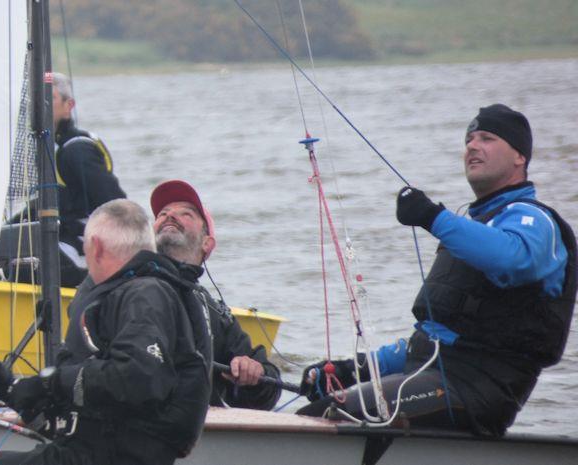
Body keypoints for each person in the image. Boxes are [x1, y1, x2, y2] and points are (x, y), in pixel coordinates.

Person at [297, 104, 576, 436]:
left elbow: (512, 258)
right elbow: (429, 340)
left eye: (486, 138)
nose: (472, 146)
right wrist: (354, 369)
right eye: (469, 139)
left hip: (478, 390)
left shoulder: (535, 222)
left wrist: (433, 217)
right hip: (435, 378)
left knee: (338, 413)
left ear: (520, 157)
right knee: (313, 410)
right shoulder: (470, 232)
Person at [0, 199, 211, 465]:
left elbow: (138, 378)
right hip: (83, 452)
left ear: (96, 247)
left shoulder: (144, 295)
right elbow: (67, 423)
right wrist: (10, 387)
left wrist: (51, 380)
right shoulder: (119, 298)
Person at [150, 179, 282, 410]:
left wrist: (254, 372)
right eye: (163, 213)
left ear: (206, 243)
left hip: (197, 429)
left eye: (186, 214)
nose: (170, 216)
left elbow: (265, 396)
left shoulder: (213, 312)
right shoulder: (127, 287)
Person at [52, 72, 126, 287]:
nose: (41, 104)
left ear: (69, 105)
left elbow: (115, 203)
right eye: (38, 99)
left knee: (22, 264)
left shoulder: (77, 149)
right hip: (63, 238)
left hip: (85, 247)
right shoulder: (51, 148)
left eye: (51, 98)